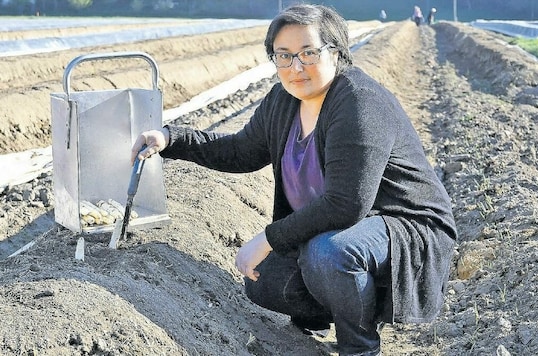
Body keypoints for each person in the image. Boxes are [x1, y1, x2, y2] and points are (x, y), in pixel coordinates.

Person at [131, 4, 457, 356]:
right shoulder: (284, 101)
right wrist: (172, 139)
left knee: (329, 254)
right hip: (347, 228)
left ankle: (359, 346)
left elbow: (346, 204)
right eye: (283, 56)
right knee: (265, 282)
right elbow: (241, 151)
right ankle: (333, 309)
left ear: (336, 51)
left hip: (404, 225)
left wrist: (269, 238)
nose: (295, 67)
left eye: (308, 53)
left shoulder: (359, 104)